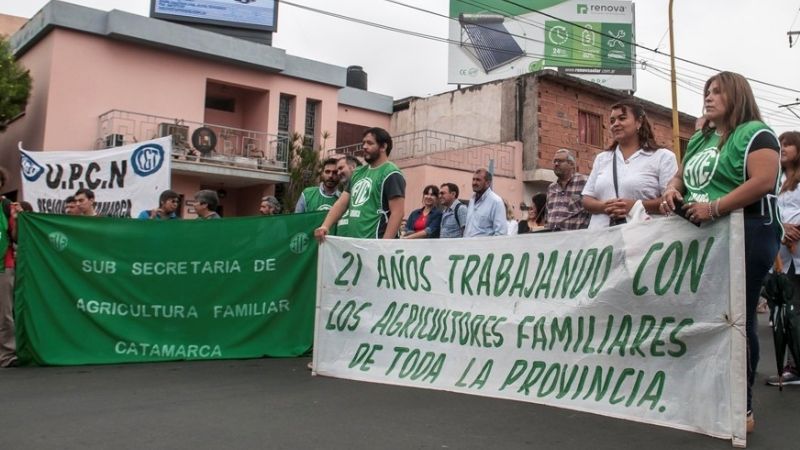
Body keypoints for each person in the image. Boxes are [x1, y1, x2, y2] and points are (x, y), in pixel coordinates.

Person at [660, 72, 781, 433]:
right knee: (705, 315)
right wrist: (671, 188)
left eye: (717, 92)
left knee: (736, 318)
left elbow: (762, 181)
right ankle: (709, 394)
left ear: (737, 95)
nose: (709, 98)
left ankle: (740, 407)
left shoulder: (756, 133)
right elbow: (682, 176)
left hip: (748, 231)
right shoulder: (701, 137)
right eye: (707, 92)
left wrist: (716, 207)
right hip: (704, 235)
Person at [582, 100, 678, 228]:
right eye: (612, 121)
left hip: (643, 239)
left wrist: (634, 206)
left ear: (639, 122)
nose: (615, 124)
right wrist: (605, 207)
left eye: (622, 118)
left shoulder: (663, 157)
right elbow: (587, 200)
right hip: (601, 241)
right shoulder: (602, 159)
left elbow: (669, 200)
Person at [315, 127, 405, 241]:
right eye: (363, 143)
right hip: (355, 247)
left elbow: (398, 213)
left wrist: (384, 246)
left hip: (375, 245)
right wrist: (325, 226)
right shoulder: (358, 172)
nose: (364, 147)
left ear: (383, 147)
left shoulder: (391, 173)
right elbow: (342, 203)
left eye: (370, 143)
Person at [769, 130, 800, 386]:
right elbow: (775, 216)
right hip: (784, 257)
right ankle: (793, 364)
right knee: (790, 313)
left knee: (795, 312)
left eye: (788, 144)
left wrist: (792, 229)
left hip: (797, 250)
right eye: (780, 144)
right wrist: (782, 229)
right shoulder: (778, 183)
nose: (783, 148)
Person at [546, 149, 590, 230]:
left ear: (571, 164)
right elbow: (548, 216)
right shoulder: (551, 188)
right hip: (553, 239)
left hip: (575, 240)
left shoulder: (584, 182)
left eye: (560, 161)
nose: (556, 164)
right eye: (555, 161)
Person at [464, 169, 507, 237]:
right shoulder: (472, 200)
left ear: (488, 183)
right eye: (473, 179)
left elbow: (501, 233)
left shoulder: (496, 202)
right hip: (467, 245)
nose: (474, 183)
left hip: (484, 247)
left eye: (478, 180)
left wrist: (489, 247)